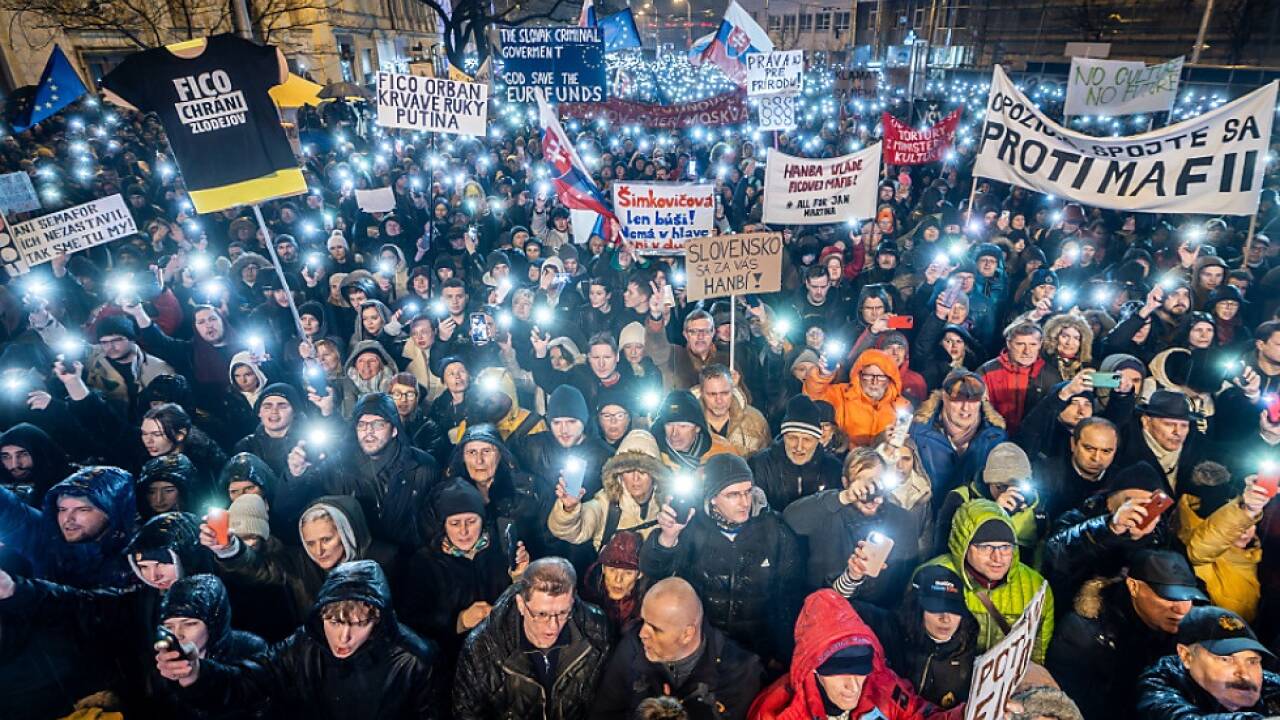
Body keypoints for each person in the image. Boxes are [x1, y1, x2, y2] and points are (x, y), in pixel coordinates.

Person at [157, 560, 442, 719]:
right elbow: (248, 681)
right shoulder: (303, 645)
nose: (343, 636)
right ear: (320, 617)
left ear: (378, 620)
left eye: (359, 623)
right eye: (334, 622)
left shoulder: (414, 659)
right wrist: (197, 675)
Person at [640, 453, 802, 664]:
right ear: (713, 498)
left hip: (758, 651)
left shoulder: (775, 530)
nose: (744, 502)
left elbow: (789, 597)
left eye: (747, 492)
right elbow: (654, 571)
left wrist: (782, 654)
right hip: (704, 648)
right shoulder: (691, 527)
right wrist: (667, 538)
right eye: (733, 495)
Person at [748, 589, 965, 720]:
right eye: (840, 673)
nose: (853, 687)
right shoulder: (775, 713)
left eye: (860, 671)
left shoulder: (882, 684)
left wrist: (969, 714)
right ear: (813, 667)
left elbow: (920, 716)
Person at [1047, 550, 1208, 720]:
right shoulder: (1082, 633)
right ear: (1134, 587)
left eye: (1188, 597)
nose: (1181, 609)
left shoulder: (1197, 629)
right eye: (1168, 596)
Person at [453, 557, 610, 720]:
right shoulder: (481, 648)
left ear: (573, 600)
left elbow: (606, 704)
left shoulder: (597, 630)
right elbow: (466, 714)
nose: (553, 626)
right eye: (541, 614)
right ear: (521, 604)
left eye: (563, 613)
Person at [589, 577, 764, 720]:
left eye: (655, 628)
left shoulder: (740, 672)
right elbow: (604, 713)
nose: (642, 633)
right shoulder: (632, 646)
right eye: (643, 621)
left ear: (687, 634)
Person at [403, 480, 526, 660]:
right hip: (452, 658)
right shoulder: (425, 562)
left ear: (482, 520)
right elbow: (414, 620)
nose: (464, 531)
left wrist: (521, 576)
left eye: (471, 521)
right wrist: (459, 621)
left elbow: (527, 608)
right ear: (443, 525)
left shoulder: (502, 549)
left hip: (504, 653)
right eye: (454, 523)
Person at [920, 499, 1054, 663]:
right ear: (964, 545)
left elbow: (1035, 655)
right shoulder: (931, 577)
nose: (997, 558)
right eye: (985, 547)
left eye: (1005, 547)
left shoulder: (1035, 587)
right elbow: (914, 644)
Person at [785, 447, 917, 602]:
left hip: (878, 616)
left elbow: (905, 578)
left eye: (875, 482)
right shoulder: (827, 513)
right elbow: (791, 518)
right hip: (825, 610)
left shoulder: (903, 521)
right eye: (862, 483)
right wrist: (844, 497)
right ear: (845, 482)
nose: (869, 491)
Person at [325, 392, 442, 548]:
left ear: (394, 429)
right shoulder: (340, 468)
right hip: (362, 559)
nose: (369, 432)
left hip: (411, 561)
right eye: (362, 425)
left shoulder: (423, 466)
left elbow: (434, 520)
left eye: (378, 424)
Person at [855, 565, 979, 710]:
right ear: (916, 608)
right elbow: (834, 603)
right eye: (935, 609)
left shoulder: (971, 653)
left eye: (954, 610)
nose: (946, 619)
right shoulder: (888, 629)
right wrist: (852, 577)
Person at [0, 465, 137, 588]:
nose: (68, 519)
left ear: (112, 512)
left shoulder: (140, 555)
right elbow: (10, 511)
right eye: (62, 509)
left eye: (82, 510)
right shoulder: (47, 540)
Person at [1135, 606, 1280, 718]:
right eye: (1226, 659)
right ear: (1186, 656)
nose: (1245, 675)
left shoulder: (1266, 682)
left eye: (1252, 661)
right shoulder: (1159, 682)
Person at [549, 428, 670, 550]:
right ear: (620, 475)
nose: (635, 478)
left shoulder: (667, 504)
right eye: (628, 471)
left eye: (643, 471)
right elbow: (570, 531)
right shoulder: (605, 504)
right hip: (611, 569)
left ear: (655, 475)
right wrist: (569, 509)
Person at [910, 370, 1008, 499]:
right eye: (958, 400)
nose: (965, 408)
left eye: (973, 401)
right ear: (944, 397)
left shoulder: (995, 439)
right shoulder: (918, 435)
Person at [749, 394, 843, 511]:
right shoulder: (760, 465)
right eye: (792, 438)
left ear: (818, 440)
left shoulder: (833, 469)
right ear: (783, 436)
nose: (799, 447)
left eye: (806, 440)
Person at [804, 348, 911, 448]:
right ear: (858, 375)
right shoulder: (841, 394)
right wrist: (822, 375)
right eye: (868, 376)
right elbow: (814, 396)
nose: (874, 382)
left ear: (890, 379)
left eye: (881, 377)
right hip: (843, 460)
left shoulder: (902, 408)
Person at [978, 321, 1053, 435]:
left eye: (1033, 344)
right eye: (1020, 344)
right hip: (994, 438)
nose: (1027, 351)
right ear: (1009, 344)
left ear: (1040, 344)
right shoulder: (987, 372)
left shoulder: (1051, 376)